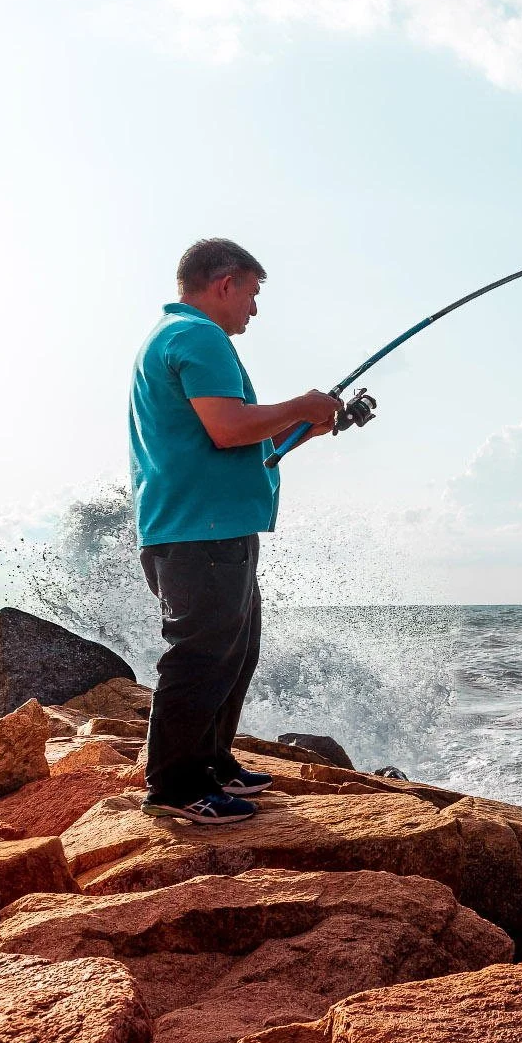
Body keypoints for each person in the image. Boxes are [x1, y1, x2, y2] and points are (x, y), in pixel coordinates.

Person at [128, 239, 341, 824]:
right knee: (202, 655)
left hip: (207, 525)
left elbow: (239, 438)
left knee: (235, 652)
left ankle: (214, 764)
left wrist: (310, 426)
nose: (254, 309)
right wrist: (301, 402)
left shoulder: (176, 336)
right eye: (251, 292)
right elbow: (227, 429)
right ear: (224, 283)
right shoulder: (199, 337)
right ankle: (175, 787)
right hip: (201, 529)